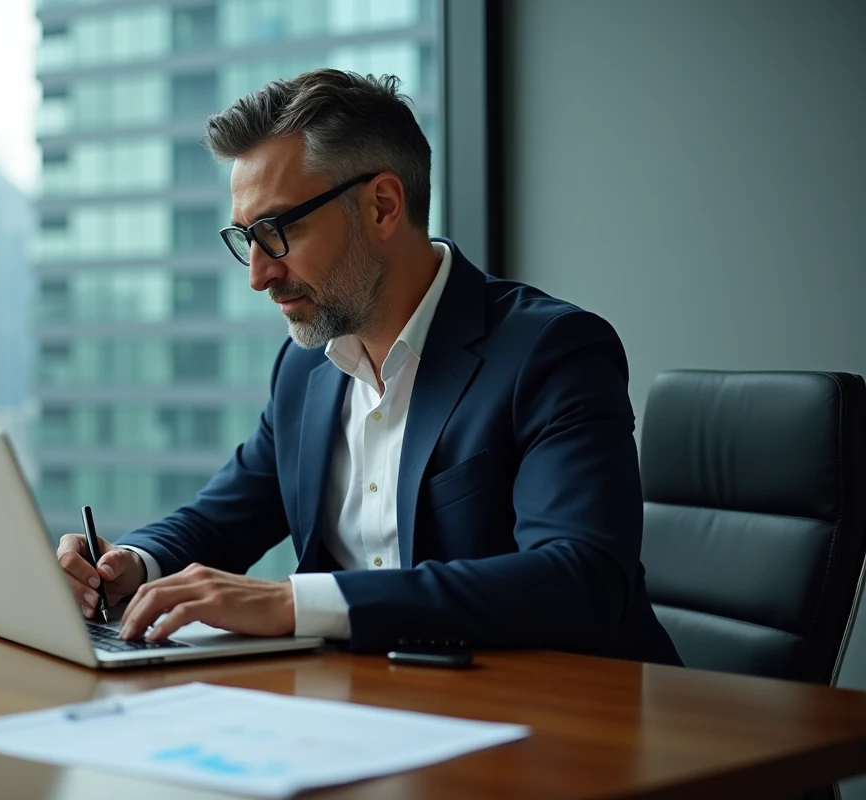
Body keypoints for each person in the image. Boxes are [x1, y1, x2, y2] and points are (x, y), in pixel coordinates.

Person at [57, 69, 681, 665]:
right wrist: (131, 564)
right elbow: (224, 515)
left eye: (277, 230)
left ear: (383, 205)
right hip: (379, 712)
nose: (258, 274)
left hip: (569, 724)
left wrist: (294, 603)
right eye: (245, 238)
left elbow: (579, 579)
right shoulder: (306, 370)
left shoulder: (551, 350)